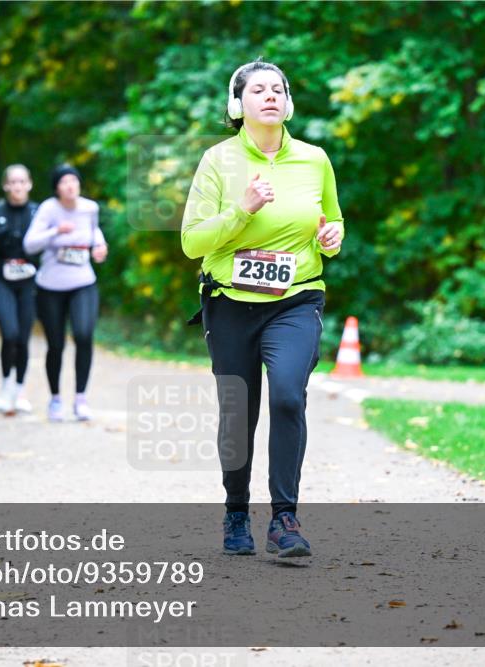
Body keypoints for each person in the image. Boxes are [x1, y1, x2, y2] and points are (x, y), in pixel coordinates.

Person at [181, 58, 345, 558]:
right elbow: (192, 242)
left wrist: (332, 237)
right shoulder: (217, 161)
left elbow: (332, 224)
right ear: (238, 105)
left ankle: (284, 518)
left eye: (278, 88)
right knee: (238, 414)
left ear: (288, 101)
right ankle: (235, 512)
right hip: (230, 302)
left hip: (296, 298)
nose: (270, 96)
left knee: (289, 397)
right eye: (258, 90)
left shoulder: (314, 159)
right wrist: (241, 208)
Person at [23, 165, 108, 422]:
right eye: (64, 181)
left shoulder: (90, 208)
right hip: (51, 285)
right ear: (57, 188)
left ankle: (81, 398)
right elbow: (29, 243)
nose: (71, 185)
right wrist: (55, 232)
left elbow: (94, 232)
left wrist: (100, 246)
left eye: (74, 180)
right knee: (56, 344)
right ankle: (56, 399)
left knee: (83, 334)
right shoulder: (49, 209)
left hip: (83, 281)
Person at [0, 164, 40, 415]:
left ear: (29, 184)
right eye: (12, 182)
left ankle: (20, 389)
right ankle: (6, 385)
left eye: (22, 181)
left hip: (29, 279)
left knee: (24, 337)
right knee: (10, 333)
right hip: (1, 278)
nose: (17, 186)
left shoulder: (39, 212)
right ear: (6, 185)